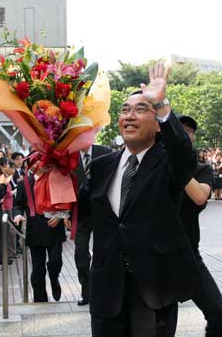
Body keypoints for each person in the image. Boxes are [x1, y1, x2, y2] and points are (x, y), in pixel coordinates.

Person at [78, 63, 200, 336]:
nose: (130, 116)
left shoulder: (168, 162)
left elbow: (184, 154)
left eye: (141, 109)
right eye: (125, 110)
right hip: (107, 291)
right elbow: (83, 209)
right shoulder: (101, 165)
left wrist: (162, 103)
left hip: (153, 291)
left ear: (158, 126)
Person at [177, 114, 222, 337]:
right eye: (178, 129)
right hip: (153, 257)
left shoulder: (200, 169)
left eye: (189, 131)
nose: (184, 134)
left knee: (219, 315)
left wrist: (176, 162)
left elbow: (200, 197)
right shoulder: (152, 166)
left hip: (187, 252)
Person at [13, 163, 67, 302]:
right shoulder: (23, 183)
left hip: (55, 227)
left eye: (42, 159)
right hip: (35, 228)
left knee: (55, 262)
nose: (39, 163)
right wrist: (18, 214)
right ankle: (40, 298)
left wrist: (61, 216)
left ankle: (54, 278)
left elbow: (67, 200)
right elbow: (18, 204)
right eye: (36, 160)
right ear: (29, 165)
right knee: (38, 268)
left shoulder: (57, 178)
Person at [72, 144, 112, 306]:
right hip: (81, 213)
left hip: (103, 211)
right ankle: (86, 291)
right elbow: (66, 185)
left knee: (103, 253)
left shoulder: (105, 152)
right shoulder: (70, 157)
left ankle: (103, 291)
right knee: (80, 254)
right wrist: (68, 213)